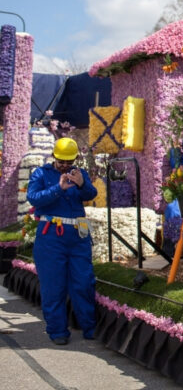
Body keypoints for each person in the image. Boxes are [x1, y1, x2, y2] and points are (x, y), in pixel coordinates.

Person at [27, 137, 98, 345]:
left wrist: (82, 183)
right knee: (53, 285)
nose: (66, 165)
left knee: (83, 281)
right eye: (62, 161)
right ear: (54, 157)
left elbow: (91, 194)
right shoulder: (41, 173)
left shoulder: (79, 173)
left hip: (78, 234)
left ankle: (89, 326)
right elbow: (34, 198)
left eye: (70, 161)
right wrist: (58, 188)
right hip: (50, 236)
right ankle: (57, 330)